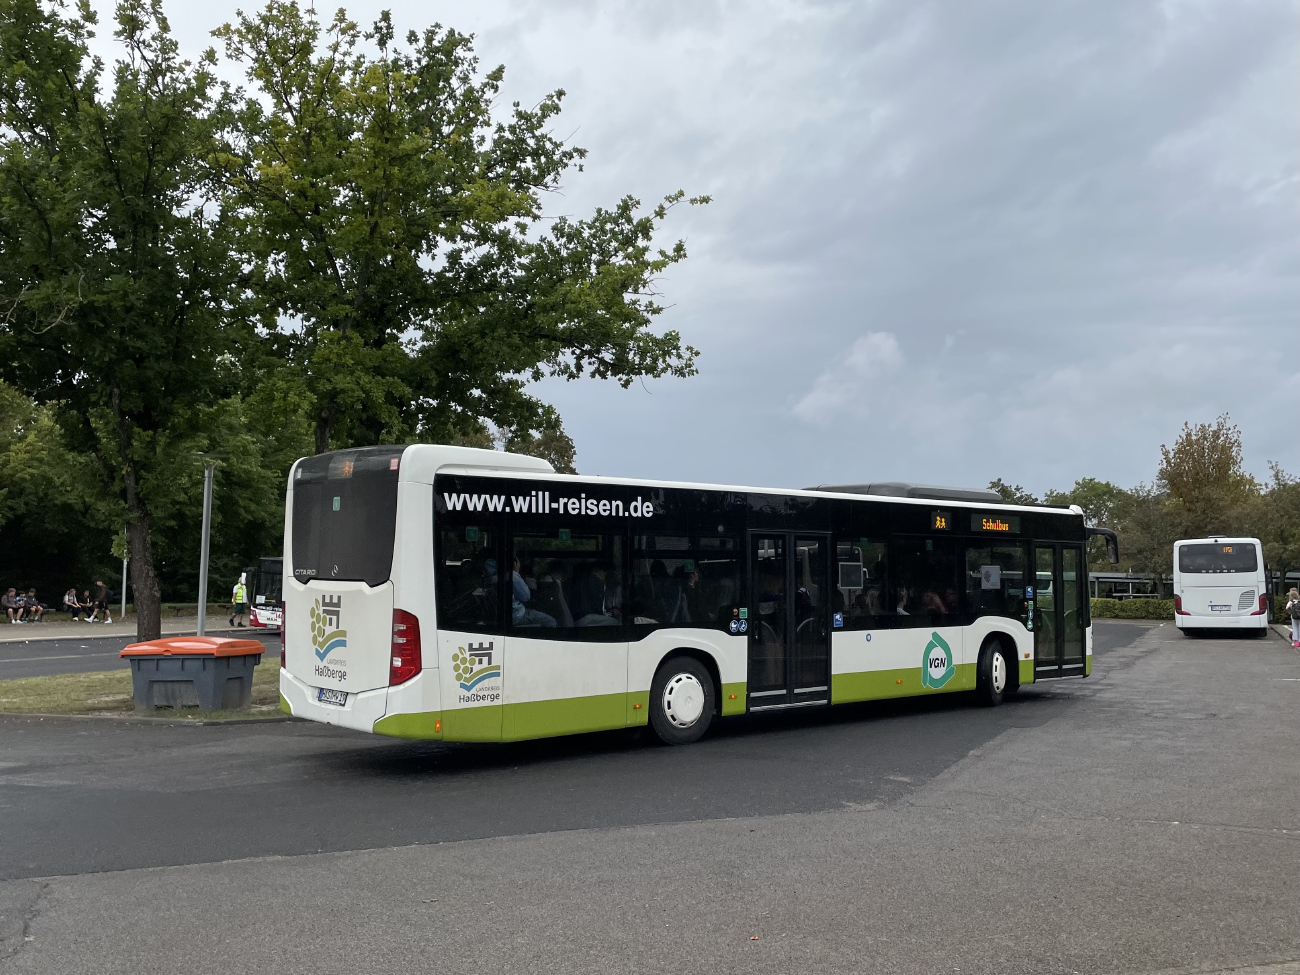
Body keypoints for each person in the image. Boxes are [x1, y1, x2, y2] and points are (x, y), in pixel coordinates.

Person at [508, 555, 554, 627]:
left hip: (509, 615)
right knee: (550, 621)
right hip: (517, 616)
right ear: (514, 564)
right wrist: (516, 572)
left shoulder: (493, 572)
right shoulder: (513, 576)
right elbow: (526, 597)